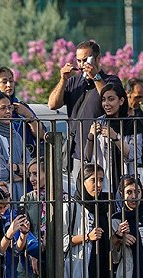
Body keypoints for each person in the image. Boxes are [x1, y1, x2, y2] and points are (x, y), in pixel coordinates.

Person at [47, 40, 121, 178]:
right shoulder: (73, 82)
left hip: (103, 153)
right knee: (79, 196)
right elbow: (52, 104)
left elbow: (109, 100)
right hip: (77, 154)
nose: (81, 65)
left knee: (104, 196)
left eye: (85, 60)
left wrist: (96, 77)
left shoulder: (112, 81)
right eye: (79, 61)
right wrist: (63, 80)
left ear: (97, 58)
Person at [0, 92, 33, 201]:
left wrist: (15, 167)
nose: (8, 112)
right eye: (3, 108)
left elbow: (31, 167)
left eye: (10, 108)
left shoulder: (15, 135)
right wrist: (21, 175)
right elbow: (1, 173)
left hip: (19, 194)